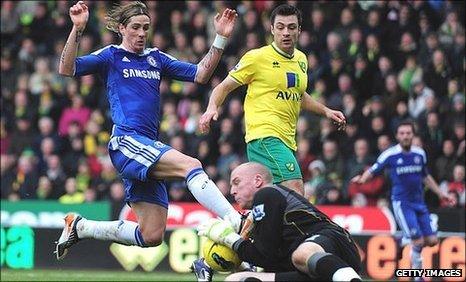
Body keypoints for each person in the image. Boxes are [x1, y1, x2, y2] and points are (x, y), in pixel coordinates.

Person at [55, 1, 242, 260]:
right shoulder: (111, 56)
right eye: (135, 27)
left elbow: (201, 74)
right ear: (122, 28)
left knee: (151, 235)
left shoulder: (156, 58)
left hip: (147, 148)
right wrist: (77, 29)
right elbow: (67, 68)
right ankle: (235, 220)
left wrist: (220, 37)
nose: (142, 33)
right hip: (126, 141)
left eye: (146, 27)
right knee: (191, 165)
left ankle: (82, 227)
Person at [199, 4, 346, 196]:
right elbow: (222, 87)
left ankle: (244, 226)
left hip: (287, 141)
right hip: (265, 138)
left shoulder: (301, 60)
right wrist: (211, 108)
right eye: (281, 27)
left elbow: (298, 95)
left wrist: (326, 111)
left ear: (299, 30)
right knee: (296, 190)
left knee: (271, 199)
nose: (286, 32)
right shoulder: (257, 58)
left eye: (291, 27)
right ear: (272, 29)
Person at [193, 162, 361, 282]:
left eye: (236, 183)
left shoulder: (267, 194)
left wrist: (228, 238)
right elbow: (265, 258)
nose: (232, 191)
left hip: (334, 244)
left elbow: (265, 253)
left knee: (300, 254)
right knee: (236, 280)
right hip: (311, 273)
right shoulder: (257, 216)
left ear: (257, 181)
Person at [351, 121, 456, 275]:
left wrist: (441, 193)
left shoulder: (419, 154)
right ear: (397, 136)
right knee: (419, 241)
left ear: (413, 135)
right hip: (402, 203)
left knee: (432, 241)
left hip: (419, 203)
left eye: (408, 133)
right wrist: (362, 179)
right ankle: (417, 276)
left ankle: (403, 240)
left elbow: (425, 176)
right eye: (402, 133)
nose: (405, 136)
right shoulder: (390, 154)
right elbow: (373, 169)